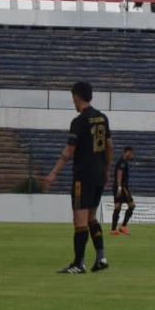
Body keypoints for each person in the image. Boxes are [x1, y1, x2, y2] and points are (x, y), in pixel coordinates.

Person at [43, 81, 111, 274]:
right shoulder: (102, 118)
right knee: (91, 218)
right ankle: (101, 258)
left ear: (76, 97)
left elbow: (69, 151)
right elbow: (109, 146)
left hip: (83, 176)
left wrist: (53, 174)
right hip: (99, 175)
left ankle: (78, 263)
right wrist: (106, 170)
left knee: (79, 220)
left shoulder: (79, 121)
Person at [110, 146, 135, 235]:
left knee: (118, 207)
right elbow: (119, 174)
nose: (132, 155)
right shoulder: (123, 162)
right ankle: (122, 227)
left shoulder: (123, 162)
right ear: (126, 152)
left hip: (120, 187)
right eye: (131, 153)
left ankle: (114, 229)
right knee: (131, 205)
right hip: (122, 188)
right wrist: (120, 187)